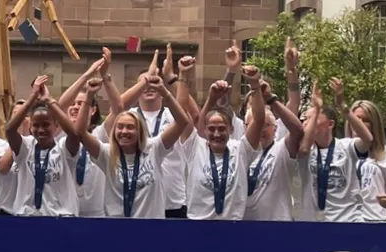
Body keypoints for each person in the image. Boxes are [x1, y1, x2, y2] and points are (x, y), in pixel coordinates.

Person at [75, 64, 189, 219]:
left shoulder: (154, 148)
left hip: (151, 229)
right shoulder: (107, 153)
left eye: (130, 127)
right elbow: (80, 132)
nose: (124, 132)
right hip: (116, 230)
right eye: (120, 127)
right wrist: (88, 96)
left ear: (140, 130)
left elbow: (182, 122)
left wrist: (165, 93)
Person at [176, 65, 264, 222]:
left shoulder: (241, 150)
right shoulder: (195, 147)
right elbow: (181, 112)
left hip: (233, 226)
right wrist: (183, 74)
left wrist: (254, 84)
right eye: (212, 129)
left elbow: (258, 121)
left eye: (222, 129)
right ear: (205, 130)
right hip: (198, 225)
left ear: (231, 129)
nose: (217, 134)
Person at [118, 46, 188, 217]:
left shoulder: (172, 115)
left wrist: (175, 78)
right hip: (140, 202)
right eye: (144, 83)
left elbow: (184, 112)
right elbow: (118, 105)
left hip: (172, 201)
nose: (149, 86)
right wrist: (144, 83)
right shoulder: (128, 118)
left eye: (154, 81)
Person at [2, 75, 84, 217]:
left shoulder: (64, 149)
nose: (41, 130)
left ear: (56, 126)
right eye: (36, 125)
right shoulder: (25, 147)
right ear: (30, 127)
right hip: (27, 218)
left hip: (61, 218)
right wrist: (32, 98)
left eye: (46, 125)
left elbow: (74, 134)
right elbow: (9, 130)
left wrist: (49, 100)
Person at [297, 78, 372, 222]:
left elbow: (368, 139)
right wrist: (317, 109)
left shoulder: (346, 146)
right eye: (305, 119)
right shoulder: (306, 149)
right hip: (313, 223)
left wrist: (343, 106)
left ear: (330, 124)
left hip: (346, 221)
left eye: (313, 118)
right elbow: (304, 149)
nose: (306, 122)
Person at [57, 53, 117, 218]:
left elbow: (118, 109)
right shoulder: (61, 134)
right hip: (67, 212)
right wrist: (87, 76)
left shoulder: (100, 134)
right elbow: (59, 106)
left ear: (93, 109)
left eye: (81, 104)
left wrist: (105, 77)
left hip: (97, 214)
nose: (75, 107)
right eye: (73, 104)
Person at [244, 72, 305, 222]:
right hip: (244, 225)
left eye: (266, 126)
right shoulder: (240, 150)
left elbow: (297, 130)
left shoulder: (280, 150)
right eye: (254, 126)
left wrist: (271, 100)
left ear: (276, 128)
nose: (260, 131)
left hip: (277, 225)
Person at [350, 98, 386, 222]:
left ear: (374, 125)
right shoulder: (339, 151)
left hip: (374, 221)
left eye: (365, 120)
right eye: (356, 119)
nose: (359, 123)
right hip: (344, 221)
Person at [0, 98, 26, 216]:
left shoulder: (38, 147)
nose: (21, 119)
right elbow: (3, 168)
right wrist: (17, 137)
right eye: (17, 115)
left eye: (25, 114)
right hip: (6, 213)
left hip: (31, 213)